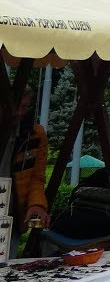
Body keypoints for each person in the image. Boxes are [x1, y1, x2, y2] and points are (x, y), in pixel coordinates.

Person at [9, 85, 48, 254]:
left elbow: (37, 177)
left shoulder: (36, 135)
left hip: (12, 217)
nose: (19, 113)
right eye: (15, 107)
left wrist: (37, 204)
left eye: (24, 107)